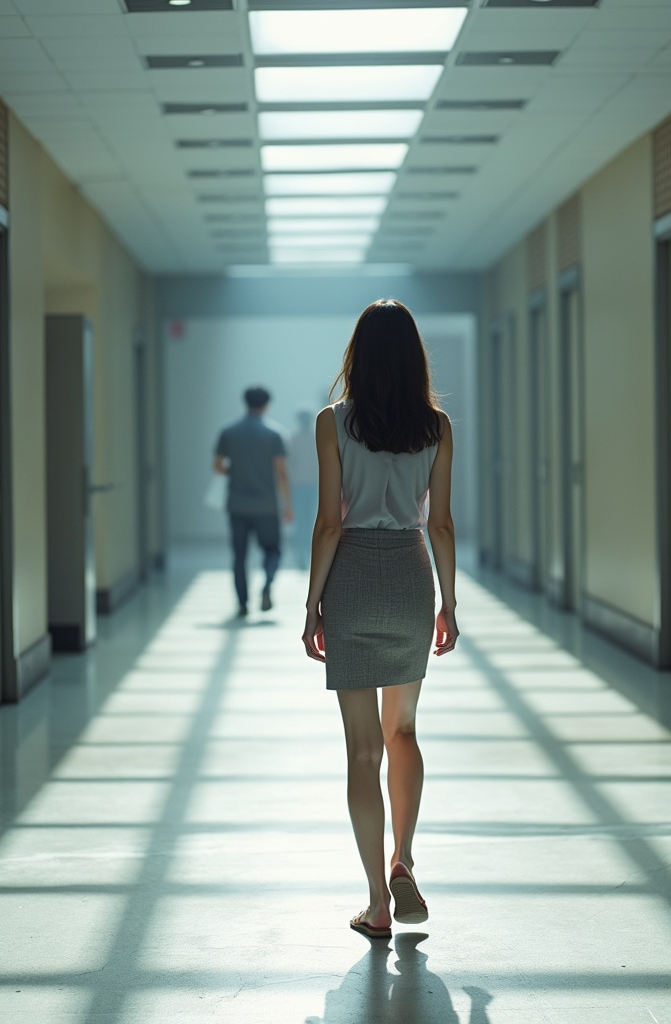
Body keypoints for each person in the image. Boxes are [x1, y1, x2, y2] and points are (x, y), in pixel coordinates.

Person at [302, 299, 459, 940]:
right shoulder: (438, 427)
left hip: (353, 579)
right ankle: (405, 860)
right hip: (408, 574)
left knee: (361, 749)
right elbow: (442, 523)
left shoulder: (332, 422)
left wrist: (313, 602)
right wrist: (448, 600)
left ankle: (376, 902)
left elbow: (329, 522)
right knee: (405, 733)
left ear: (357, 357)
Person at [214, 386, 293, 617]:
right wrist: (287, 505)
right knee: (273, 550)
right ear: (267, 404)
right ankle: (267, 584)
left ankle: (242, 603)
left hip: (237, 505)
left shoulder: (228, 432)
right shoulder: (274, 433)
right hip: (266, 506)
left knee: (239, 556)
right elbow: (281, 473)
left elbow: (218, 466)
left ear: (245, 402)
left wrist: (236, 471)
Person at [287, 408, 319, 569]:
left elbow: (289, 464)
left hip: (301, 485)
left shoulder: (294, 437)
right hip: (313, 485)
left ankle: (302, 556)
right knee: (311, 522)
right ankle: (308, 556)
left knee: (302, 522)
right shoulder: (317, 436)